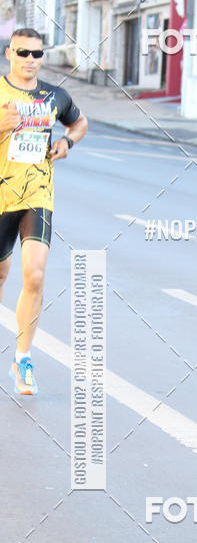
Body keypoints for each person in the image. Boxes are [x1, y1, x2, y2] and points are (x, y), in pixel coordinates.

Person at [0, 28, 88, 395]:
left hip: (37, 195)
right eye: (23, 53)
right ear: (10, 54)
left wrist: (67, 141)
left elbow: (79, 122)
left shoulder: (55, 95)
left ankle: (23, 358)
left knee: (34, 276)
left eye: (37, 54)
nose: (30, 60)